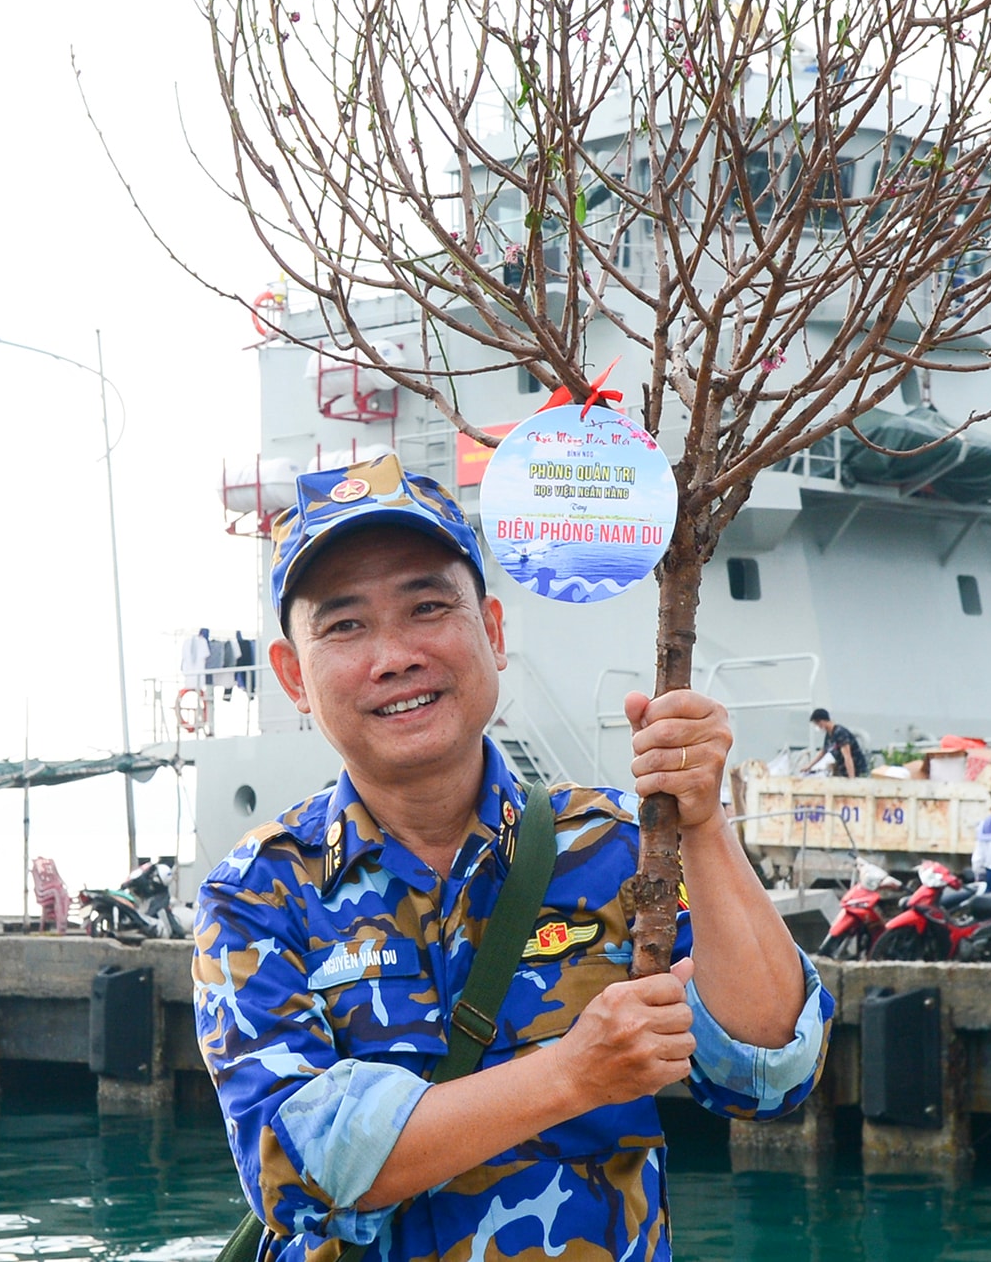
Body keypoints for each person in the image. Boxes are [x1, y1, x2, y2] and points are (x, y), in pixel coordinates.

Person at [193, 456, 833, 1262]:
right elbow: (297, 1166)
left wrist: (702, 820)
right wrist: (574, 1073)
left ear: (492, 632)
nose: (393, 655)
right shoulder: (256, 892)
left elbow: (770, 1071)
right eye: (345, 625)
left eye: (428, 606)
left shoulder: (617, 845)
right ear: (293, 675)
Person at [806, 708, 869, 778]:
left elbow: (847, 756)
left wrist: (852, 778)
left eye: (817, 724)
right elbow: (823, 752)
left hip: (856, 770)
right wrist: (809, 766)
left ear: (822, 721)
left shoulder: (840, 733)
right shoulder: (829, 734)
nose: (817, 727)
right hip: (843, 770)